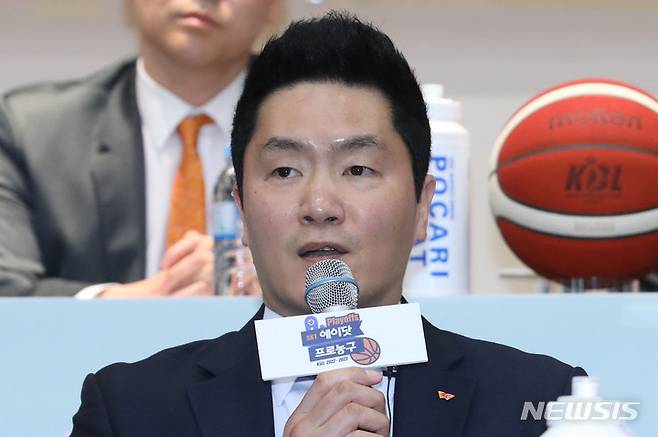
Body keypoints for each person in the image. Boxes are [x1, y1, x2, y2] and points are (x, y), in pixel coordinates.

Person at [70, 12, 585, 436]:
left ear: (423, 207)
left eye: (357, 169)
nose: (319, 205)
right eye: (285, 171)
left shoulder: (544, 405)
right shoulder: (130, 411)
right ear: (241, 210)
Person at [0, 0, 279, 297]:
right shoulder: (31, 131)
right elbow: (9, 288)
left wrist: (279, 286)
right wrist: (131, 304)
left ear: (275, 7)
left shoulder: (315, 122)